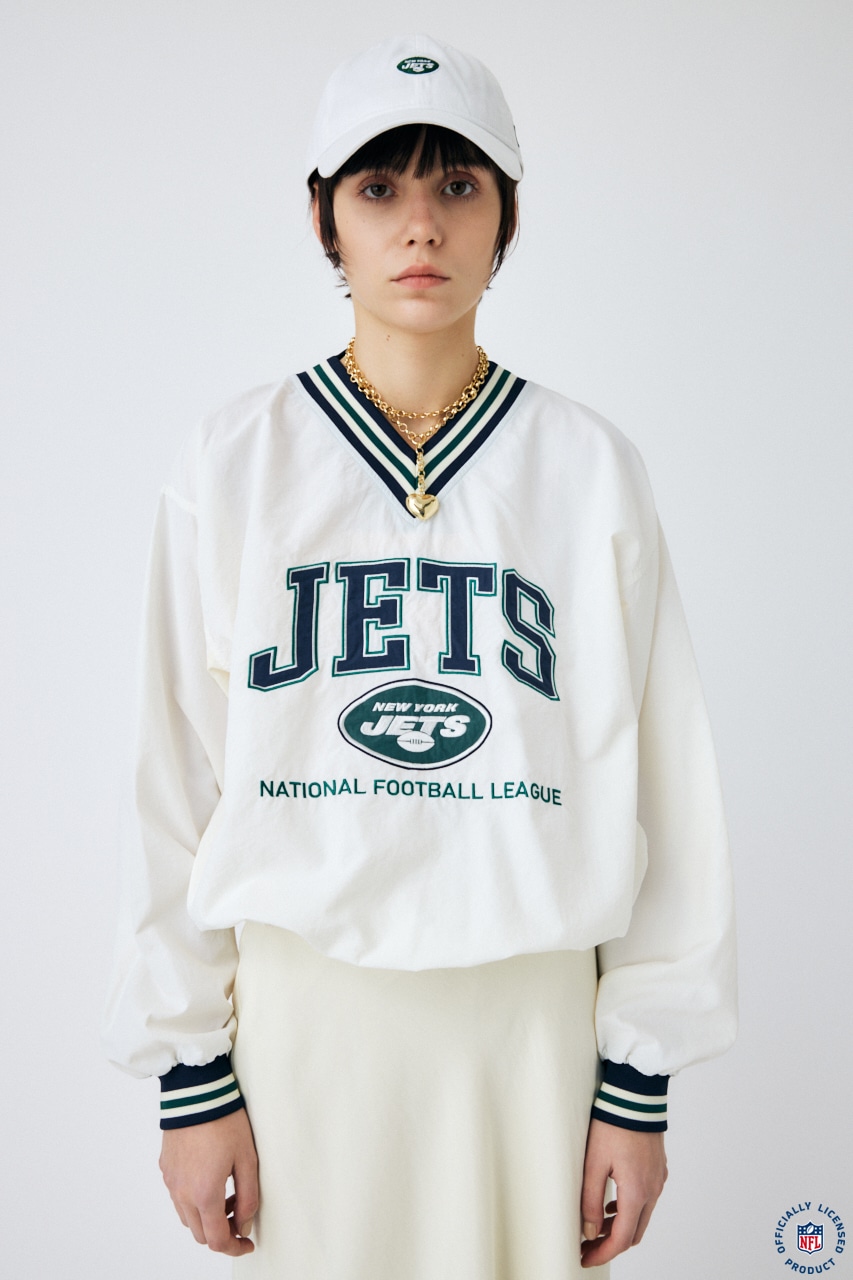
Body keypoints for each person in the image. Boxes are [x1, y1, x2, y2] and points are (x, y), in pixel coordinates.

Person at [102, 33, 737, 1279]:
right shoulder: (235, 460)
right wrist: (189, 1075)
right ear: (323, 219)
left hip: (528, 1021)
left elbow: (666, 787)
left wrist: (637, 1082)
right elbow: (172, 776)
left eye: (457, 184)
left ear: (508, 216)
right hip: (303, 1020)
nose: (420, 226)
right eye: (378, 186)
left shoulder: (589, 468)